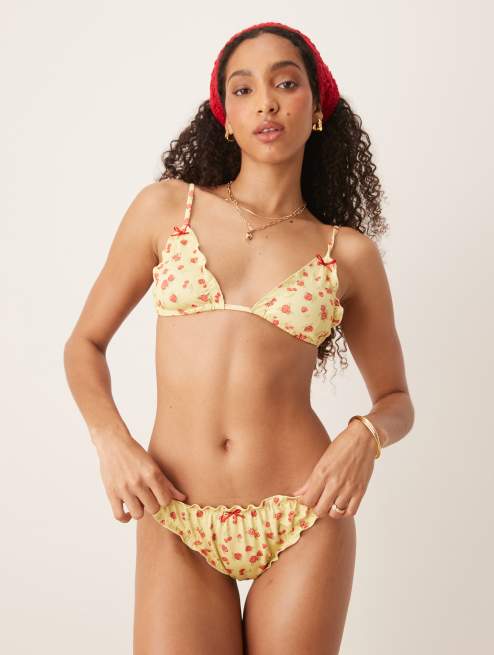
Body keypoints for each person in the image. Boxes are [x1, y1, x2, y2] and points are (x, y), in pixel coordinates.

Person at [63, 20, 414, 655]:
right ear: (225, 117)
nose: (266, 103)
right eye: (244, 89)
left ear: (318, 108)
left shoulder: (348, 254)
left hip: (304, 515)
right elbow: (84, 344)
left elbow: (396, 400)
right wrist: (111, 441)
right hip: (175, 511)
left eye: (286, 83)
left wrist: (365, 435)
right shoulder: (167, 210)